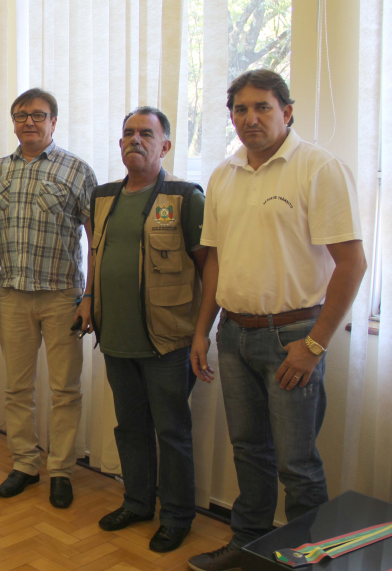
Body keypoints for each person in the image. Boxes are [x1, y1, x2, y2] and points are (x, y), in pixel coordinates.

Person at [187, 70, 366, 571]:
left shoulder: (318, 168)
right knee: (249, 452)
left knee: (298, 465)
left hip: (294, 338)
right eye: (241, 110)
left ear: (287, 112)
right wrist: (203, 331)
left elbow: (352, 264)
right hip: (235, 336)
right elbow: (215, 261)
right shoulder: (224, 174)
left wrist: (314, 345)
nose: (251, 118)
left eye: (262, 107)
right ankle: (247, 547)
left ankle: (309, 561)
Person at [82, 107, 207, 552]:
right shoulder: (102, 196)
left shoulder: (185, 196)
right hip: (115, 336)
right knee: (129, 427)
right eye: (128, 133)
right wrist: (87, 299)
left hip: (167, 339)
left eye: (146, 134)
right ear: (119, 144)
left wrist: (201, 333)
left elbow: (208, 270)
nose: (135, 140)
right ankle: (137, 502)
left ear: (165, 145)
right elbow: (97, 255)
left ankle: (177, 517)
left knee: (171, 431)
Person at [0, 88, 97, 508]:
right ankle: (25, 465)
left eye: (38, 115)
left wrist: (90, 295)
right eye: (21, 115)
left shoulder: (77, 171)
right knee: (17, 389)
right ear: (13, 121)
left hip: (62, 296)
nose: (29, 122)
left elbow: (94, 237)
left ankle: (61, 471)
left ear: (54, 121)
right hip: (14, 295)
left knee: (65, 389)